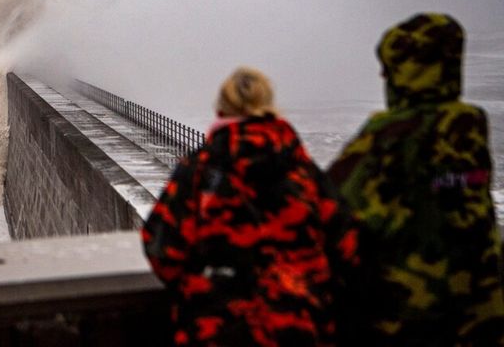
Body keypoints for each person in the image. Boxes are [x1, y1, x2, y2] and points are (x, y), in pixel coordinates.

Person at [142, 67, 359, 347]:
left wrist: (201, 288)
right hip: (298, 328)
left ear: (221, 110)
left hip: (217, 329)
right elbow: (349, 248)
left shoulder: (199, 171)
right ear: (269, 108)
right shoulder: (303, 172)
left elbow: (162, 249)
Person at [327, 13, 504, 345]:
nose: (382, 73)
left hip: (407, 316)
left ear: (408, 66)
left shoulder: (390, 135)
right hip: (477, 314)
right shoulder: (470, 127)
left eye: (391, 63)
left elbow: (330, 208)